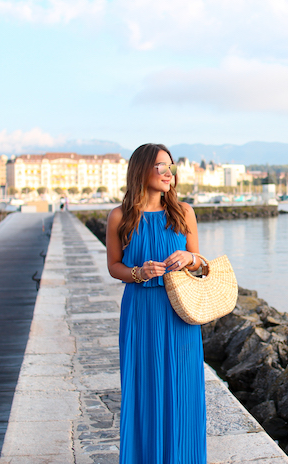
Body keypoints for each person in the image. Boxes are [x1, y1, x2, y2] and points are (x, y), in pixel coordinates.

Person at [106, 143, 207, 463]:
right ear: (141, 170)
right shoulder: (119, 217)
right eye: (161, 167)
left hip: (179, 313)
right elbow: (114, 267)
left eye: (171, 167)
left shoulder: (184, 212)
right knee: (144, 389)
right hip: (140, 313)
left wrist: (190, 257)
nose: (168, 173)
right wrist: (138, 272)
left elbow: (202, 264)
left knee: (182, 389)